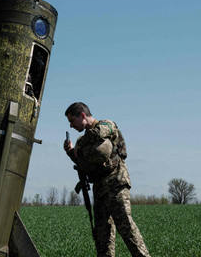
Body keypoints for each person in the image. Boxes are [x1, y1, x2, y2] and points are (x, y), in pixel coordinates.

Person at [63, 102, 151, 257]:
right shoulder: (85, 140)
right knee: (103, 237)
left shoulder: (107, 125)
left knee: (127, 229)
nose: (71, 126)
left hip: (115, 183)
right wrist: (72, 152)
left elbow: (98, 133)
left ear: (82, 115)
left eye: (72, 121)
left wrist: (79, 143)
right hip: (100, 188)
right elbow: (85, 165)